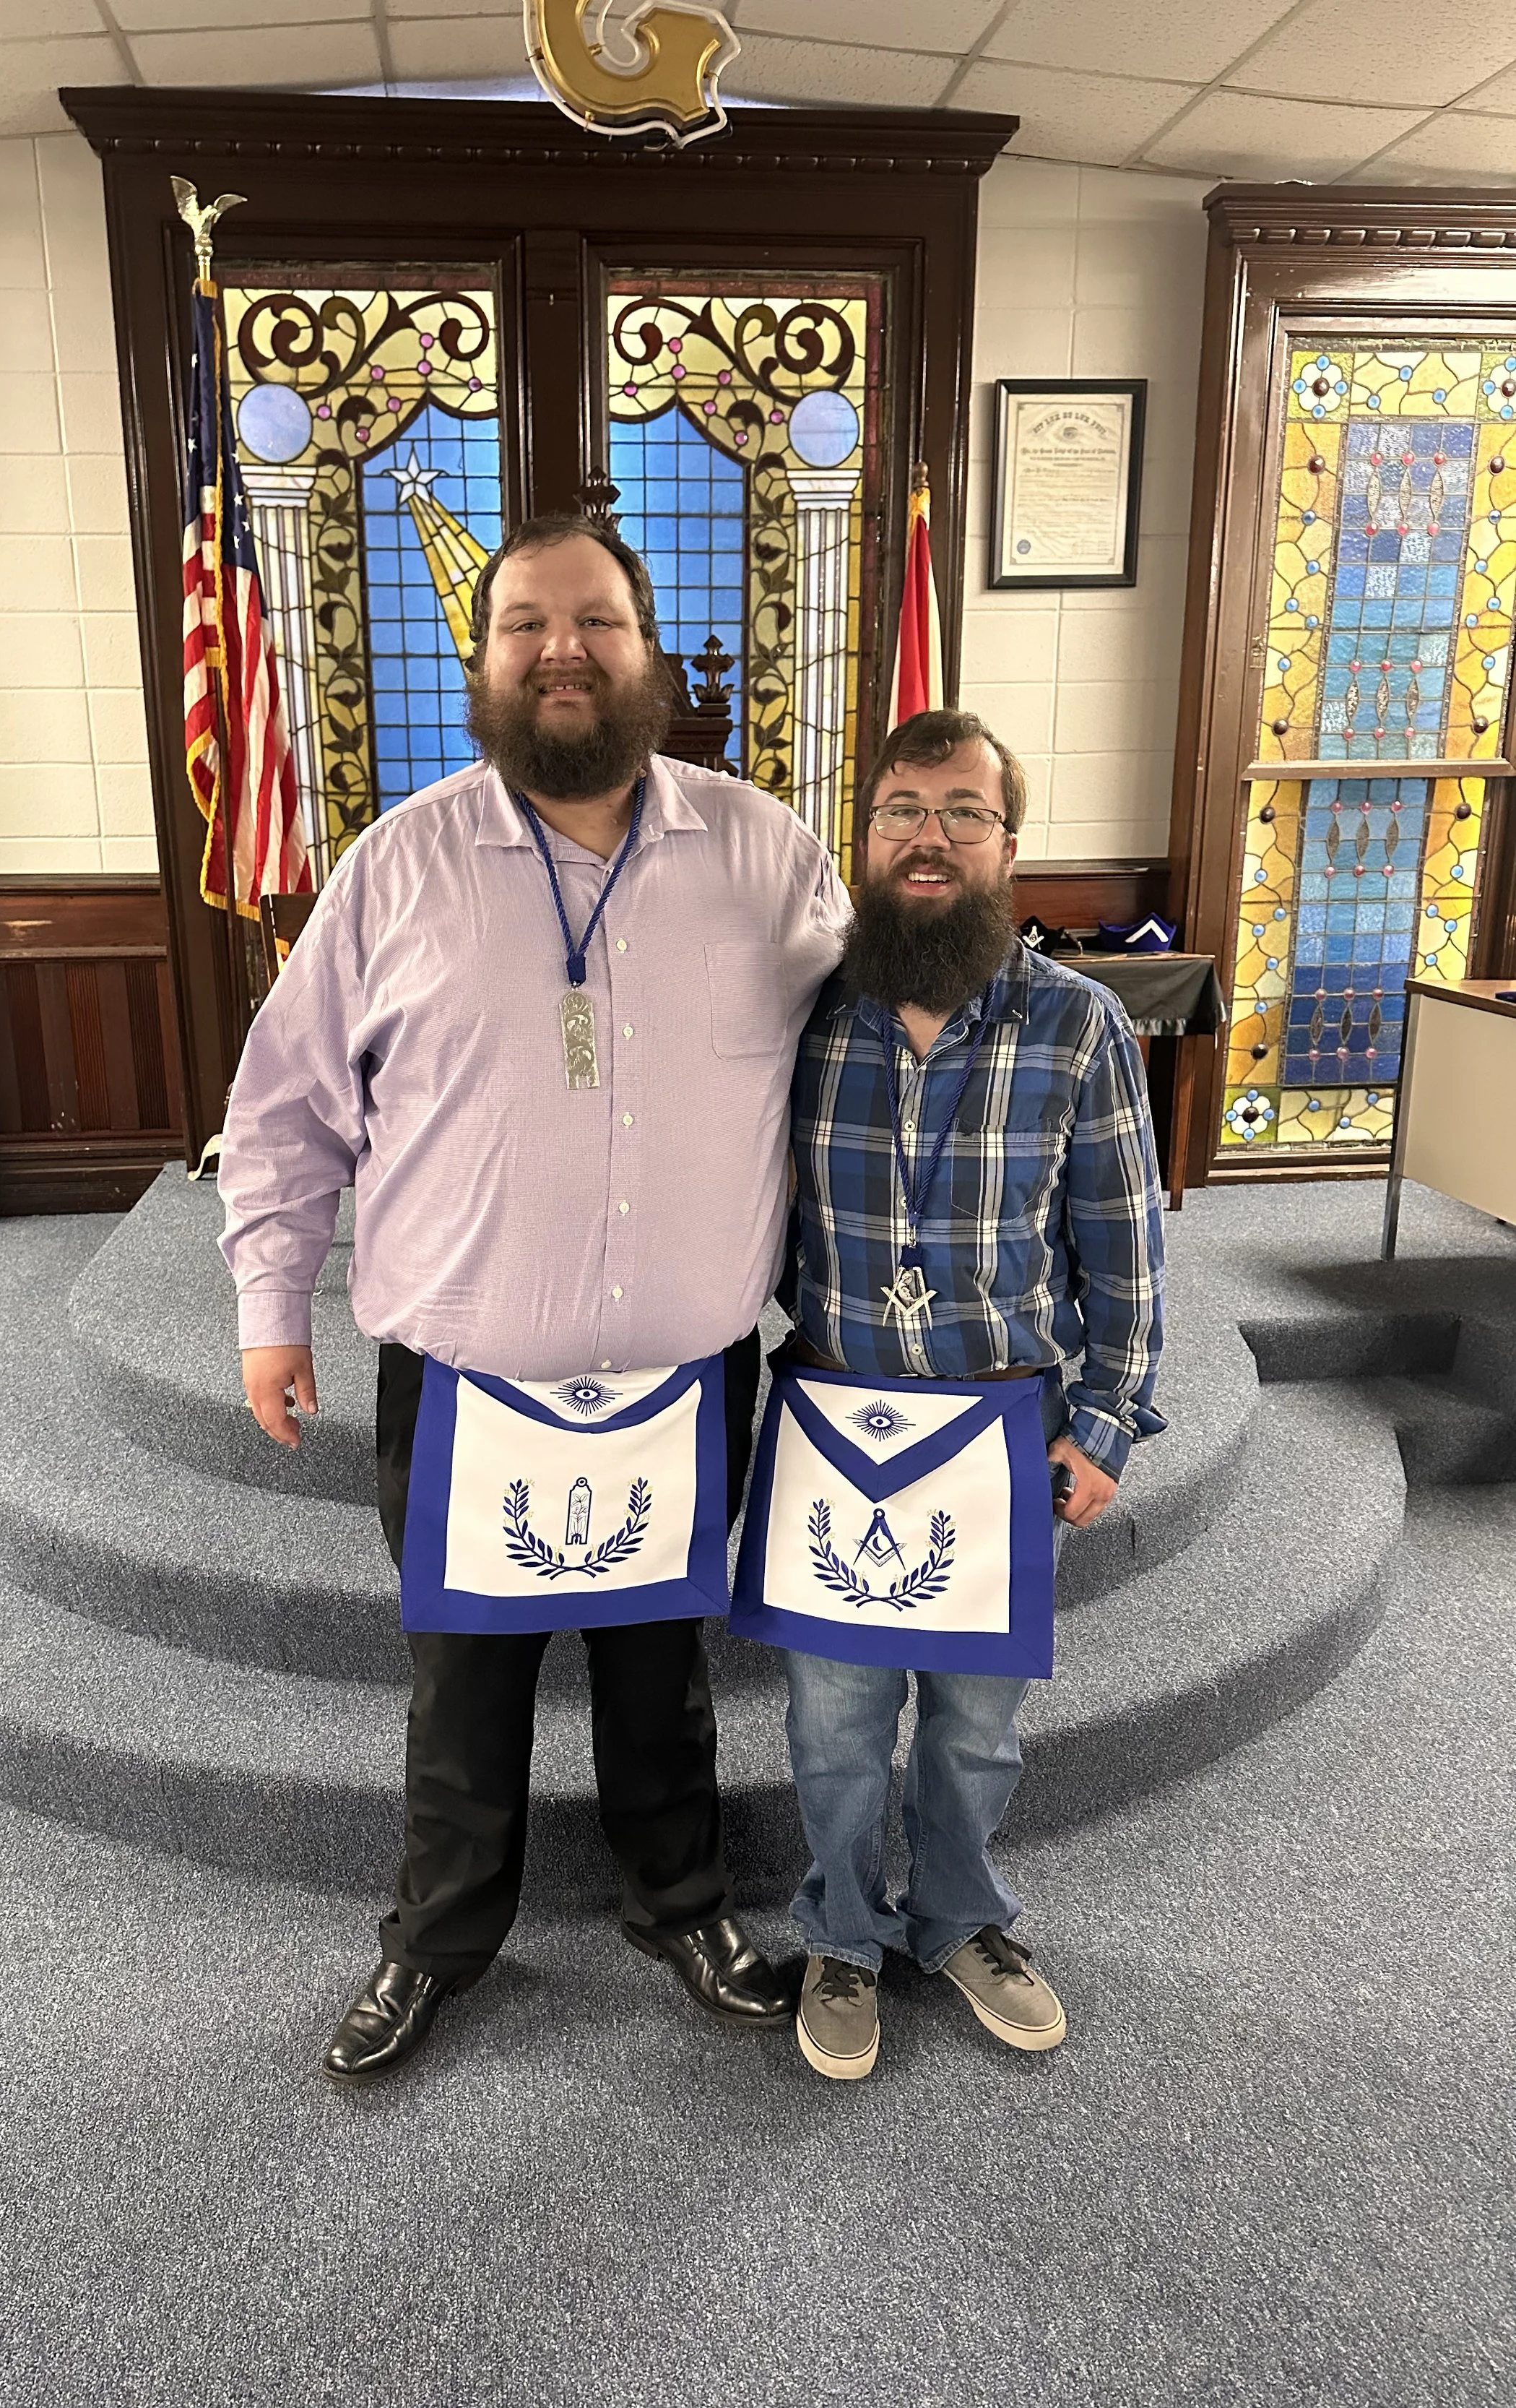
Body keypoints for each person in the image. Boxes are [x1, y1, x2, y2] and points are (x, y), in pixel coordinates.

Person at [218, 513, 849, 2086]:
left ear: (647, 651)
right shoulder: (397, 866)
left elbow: (873, 1054)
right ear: (478, 655)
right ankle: (432, 1940)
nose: (559, 649)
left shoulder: (764, 855)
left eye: (595, 622)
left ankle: (682, 1908)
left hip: (683, 1375)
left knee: (661, 1669)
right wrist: (268, 1303)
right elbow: (287, 1105)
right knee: (464, 1685)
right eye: (523, 625)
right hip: (462, 1382)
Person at [771, 707, 1164, 2081]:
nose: (926, 838)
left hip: (1002, 1425)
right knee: (832, 1719)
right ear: (862, 836)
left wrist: (1107, 1420)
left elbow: (1124, 1248)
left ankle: (958, 1917)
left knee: (975, 1725)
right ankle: (840, 1928)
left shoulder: (1080, 1025)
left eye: (961, 813)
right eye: (898, 811)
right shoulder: (801, 1017)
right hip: (835, 1415)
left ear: (1009, 843)